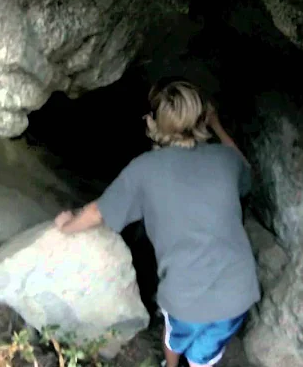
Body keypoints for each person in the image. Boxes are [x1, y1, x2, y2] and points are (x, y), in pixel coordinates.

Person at [53, 79, 260, 367]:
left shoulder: (144, 170)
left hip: (185, 297)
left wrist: (67, 225)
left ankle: (172, 365)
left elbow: (98, 213)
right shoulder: (225, 160)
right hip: (239, 292)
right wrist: (218, 125)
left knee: (174, 334)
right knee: (206, 352)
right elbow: (246, 171)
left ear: (152, 122)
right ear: (203, 118)